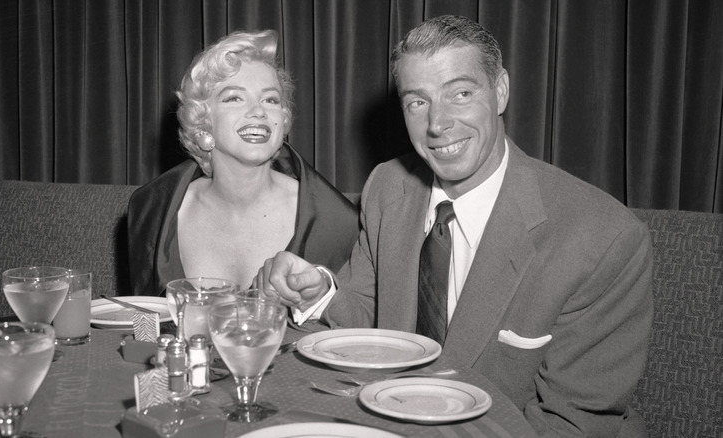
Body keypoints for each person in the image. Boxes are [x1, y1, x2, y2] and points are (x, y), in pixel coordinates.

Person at [256, 15, 653, 437]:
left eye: (460, 93)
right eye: (417, 102)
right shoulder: (389, 187)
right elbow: (369, 320)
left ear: (500, 91)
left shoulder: (603, 238)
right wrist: (320, 293)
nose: (437, 123)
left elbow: (573, 424)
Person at [127, 30, 358, 295]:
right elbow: (144, 324)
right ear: (203, 122)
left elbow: (353, 321)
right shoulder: (152, 211)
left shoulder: (335, 221)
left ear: (282, 121)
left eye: (270, 99)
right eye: (234, 97)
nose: (259, 111)